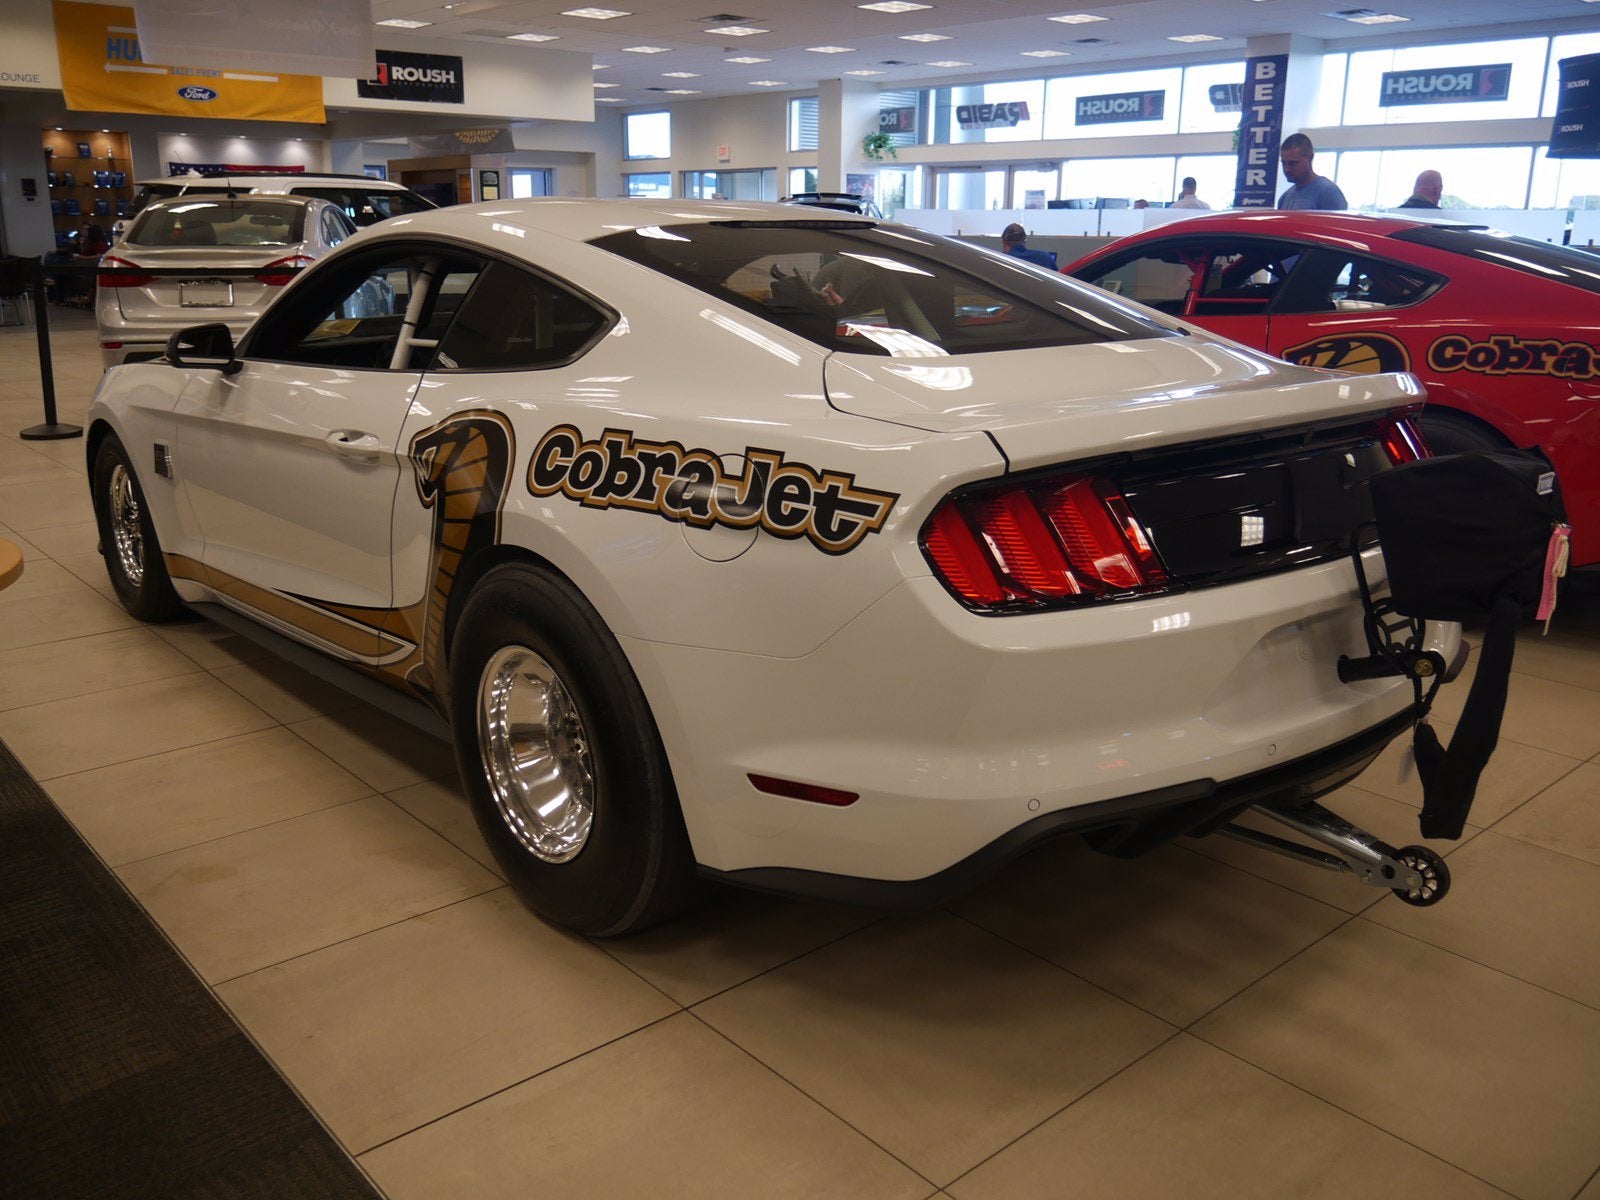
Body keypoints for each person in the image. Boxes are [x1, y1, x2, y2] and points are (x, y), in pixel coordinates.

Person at [1277, 133, 1347, 211]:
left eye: (1293, 163)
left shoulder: (1329, 193)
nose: (1287, 169)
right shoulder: (1284, 198)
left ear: (1310, 158)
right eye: (1284, 163)